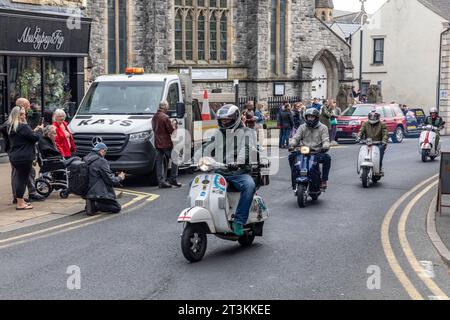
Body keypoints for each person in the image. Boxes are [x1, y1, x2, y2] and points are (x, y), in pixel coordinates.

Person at [202, 104, 258, 236]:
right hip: (220, 171)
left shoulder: (247, 133)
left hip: (239, 172)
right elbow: (207, 147)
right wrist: (197, 157)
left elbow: (246, 148)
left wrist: (238, 162)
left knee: (249, 186)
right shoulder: (218, 133)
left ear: (236, 118)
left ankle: (239, 220)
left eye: (227, 119)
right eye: (222, 120)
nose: (224, 122)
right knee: (195, 183)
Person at [7, 107, 41, 210]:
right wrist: (39, 131)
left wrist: (32, 131)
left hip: (15, 156)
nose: (24, 116)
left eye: (24, 114)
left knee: (19, 179)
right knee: (22, 180)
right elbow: (35, 138)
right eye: (21, 114)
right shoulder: (23, 127)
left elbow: (25, 137)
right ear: (16, 115)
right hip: (25, 157)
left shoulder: (10, 127)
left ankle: (20, 201)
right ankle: (20, 204)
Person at [289, 108, 331, 190]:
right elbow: (296, 137)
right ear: (306, 117)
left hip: (317, 151)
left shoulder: (323, 127)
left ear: (316, 117)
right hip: (303, 150)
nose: (310, 118)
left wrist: (325, 146)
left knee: (327, 158)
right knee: (291, 157)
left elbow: (326, 139)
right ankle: (295, 176)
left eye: (312, 117)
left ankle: (324, 180)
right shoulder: (302, 127)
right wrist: (292, 144)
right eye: (308, 117)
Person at [13, 98, 45, 202]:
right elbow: (32, 137)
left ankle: (29, 194)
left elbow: (27, 134)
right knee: (19, 176)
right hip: (21, 154)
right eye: (27, 105)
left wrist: (33, 131)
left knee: (29, 173)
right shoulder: (17, 121)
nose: (29, 107)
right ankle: (18, 198)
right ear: (21, 106)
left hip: (22, 152)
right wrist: (39, 131)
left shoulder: (21, 120)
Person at [84, 143, 125, 216]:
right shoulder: (101, 161)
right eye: (105, 151)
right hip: (98, 192)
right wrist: (120, 177)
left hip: (87, 190)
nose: (105, 154)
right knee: (116, 208)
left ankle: (91, 203)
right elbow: (110, 180)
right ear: (101, 151)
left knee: (105, 202)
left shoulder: (86, 158)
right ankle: (95, 205)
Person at [152, 100, 181, 188]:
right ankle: (173, 179)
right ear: (165, 107)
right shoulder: (165, 117)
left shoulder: (154, 117)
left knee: (159, 162)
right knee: (175, 159)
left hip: (157, 143)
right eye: (167, 106)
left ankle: (161, 182)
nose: (168, 108)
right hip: (166, 143)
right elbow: (171, 131)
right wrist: (175, 126)